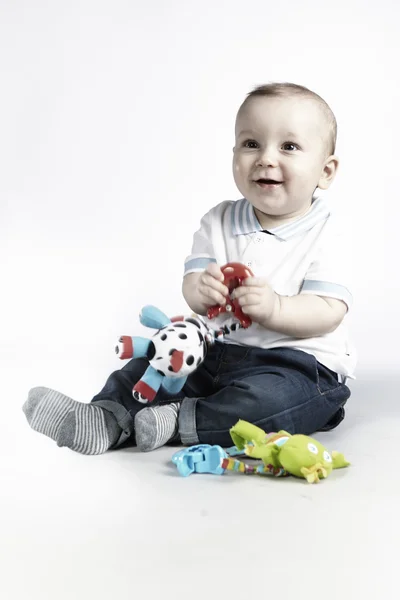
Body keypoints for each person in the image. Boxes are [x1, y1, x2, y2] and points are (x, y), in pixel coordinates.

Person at [23, 82, 356, 455]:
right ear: (234, 154)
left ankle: (179, 422)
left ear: (326, 171)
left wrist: (276, 308)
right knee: (152, 364)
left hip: (296, 365)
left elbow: (328, 311)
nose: (265, 158)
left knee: (272, 403)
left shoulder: (329, 233)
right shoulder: (219, 220)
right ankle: (105, 417)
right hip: (213, 350)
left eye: (289, 147)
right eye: (251, 144)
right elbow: (193, 286)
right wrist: (202, 289)